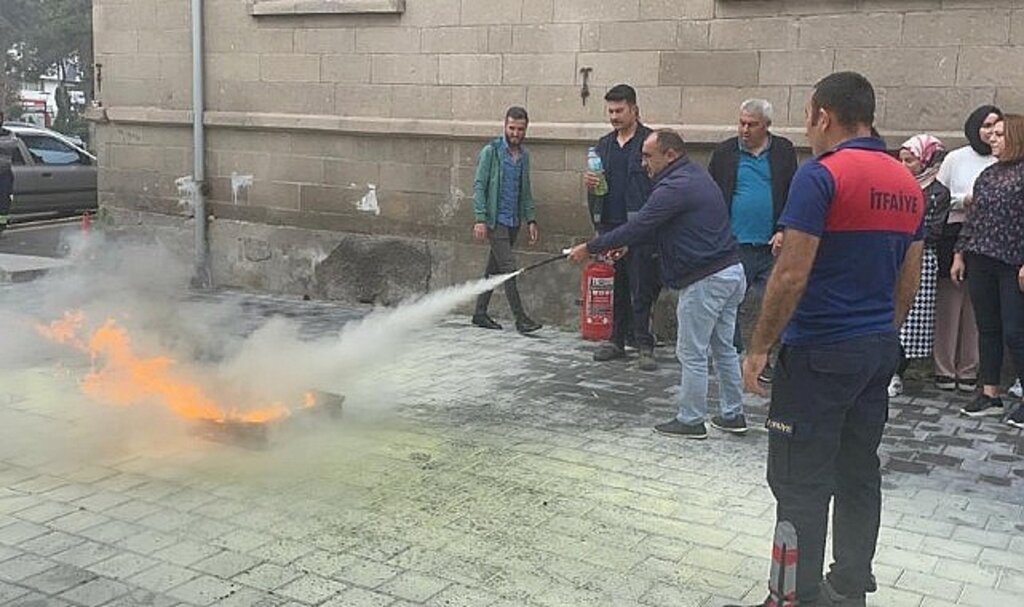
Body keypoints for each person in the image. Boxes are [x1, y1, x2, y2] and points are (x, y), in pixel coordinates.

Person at [732, 72, 925, 607]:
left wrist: (759, 346)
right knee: (859, 469)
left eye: (808, 116)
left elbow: (791, 274)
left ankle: (792, 595)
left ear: (823, 114)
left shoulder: (822, 176)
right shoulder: (906, 182)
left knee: (799, 480)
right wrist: (883, 330)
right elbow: (910, 272)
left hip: (818, 353)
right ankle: (850, 585)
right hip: (876, 351)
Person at [569, 129, 747, 439]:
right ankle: (733, 414)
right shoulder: (695, 176)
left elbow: (640, 223)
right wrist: (627, 245)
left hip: (705, 280)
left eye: (648, 156)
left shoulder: (674, 186)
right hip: (730, 273)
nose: (642, 163)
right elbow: (665, 226)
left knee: (691, 352)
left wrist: (590, 247)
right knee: (724, 348)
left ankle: (691, 420)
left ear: (670, 155)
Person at [708, 99, 797, 383]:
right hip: (734, 243)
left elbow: (792, 193)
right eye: (741, 123)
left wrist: (784, 228)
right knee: (728, 303)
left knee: (774, 303)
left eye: (752, 125)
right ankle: (730, 357)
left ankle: (763, 358)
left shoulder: (783, 150)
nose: (744, 130)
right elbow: (711, 196)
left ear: (767, 126)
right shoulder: (725, 152)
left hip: (772, 244)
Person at [951, 114, 1024, 428]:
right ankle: (990, 392)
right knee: (988, 327)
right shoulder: (988, 174)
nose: (991, 139)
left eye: (998, 134)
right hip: (981, 258)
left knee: (1015, 332)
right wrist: (959, 254)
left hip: (1012, 262)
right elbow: (973, 219)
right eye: (990, 134)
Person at [584, 84, 662, 371]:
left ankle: (644, 343)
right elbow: (595, 187)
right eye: (610, 111)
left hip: (639, 228)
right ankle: (615, 340)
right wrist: (590, 188)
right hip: (609, 226)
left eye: (619, 110)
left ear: (634, 110)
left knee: (642, 286)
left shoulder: (650, 142)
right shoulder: (603, 145)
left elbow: (659, 188)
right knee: (614, 284)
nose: (614, 116)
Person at [933, 106, 1003, 392]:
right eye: (986, 126)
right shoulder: (956, 158)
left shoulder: (1004, 160)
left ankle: (971, 367)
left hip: (988, 238)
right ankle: (944, 368)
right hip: (955, 233)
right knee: (950, 302)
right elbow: (938, 198)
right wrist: (966, 200)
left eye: (996, 128)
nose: (990, 133)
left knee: (978, 305)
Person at [470, 106, 542, 335]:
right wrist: (480, 219)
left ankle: (480, 313)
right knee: (509, 269)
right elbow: (479, 186)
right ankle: (521, 319)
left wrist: (531, 219)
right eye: (512, 128)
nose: (516, 133)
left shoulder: (524, 156)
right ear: (505, 126)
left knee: (494, 269)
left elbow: (526, 189)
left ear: (526, 129)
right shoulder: (491, 151)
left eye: (520, 129)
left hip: (513, 221)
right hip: (495, 220)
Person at [888, 135, 951, 397]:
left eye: (910, 160)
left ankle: (897, 371)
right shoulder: (893, 185)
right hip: (892, 256)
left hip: (920, 257)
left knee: (911, 321)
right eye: (901, 160)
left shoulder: (937, 193)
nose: (903, 166)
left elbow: (932, 230)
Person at [0, 111, 17, 236]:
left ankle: (1, 226)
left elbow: (11, 144)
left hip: (4, 173)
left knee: (4, 201)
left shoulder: (8, 133)